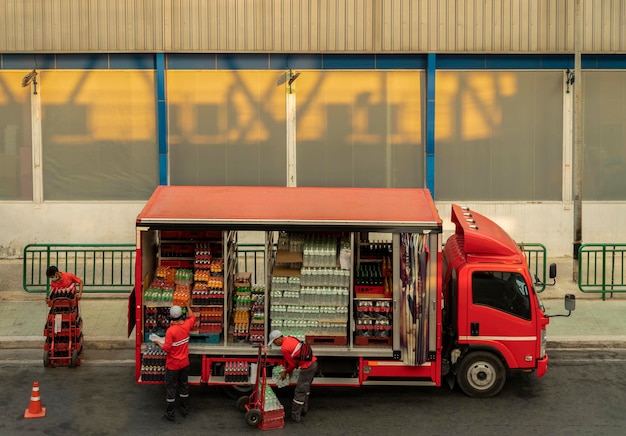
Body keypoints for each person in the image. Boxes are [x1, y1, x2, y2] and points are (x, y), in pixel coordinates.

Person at [156, 299, 196, 422]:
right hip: (184, 363)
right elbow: (192, 317)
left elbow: (167, 349)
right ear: (181, 316)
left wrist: (157, 342)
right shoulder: (186, 326)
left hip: (173, 365)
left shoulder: (170, 331)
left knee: (171, 389)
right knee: (184, 387)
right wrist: (188, 306)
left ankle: (170, 414)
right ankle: (184, 410)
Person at [267, 330, 318, 423]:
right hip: (313, 363)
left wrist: (285, 372)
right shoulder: (291, 338)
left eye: (274, 341)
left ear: (278, 339)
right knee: (305, 389)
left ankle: (295, 416)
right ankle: (303, 410)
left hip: (307, 367)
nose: (275, 344)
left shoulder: (284, 348)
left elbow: (292, 364)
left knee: (299, 391)